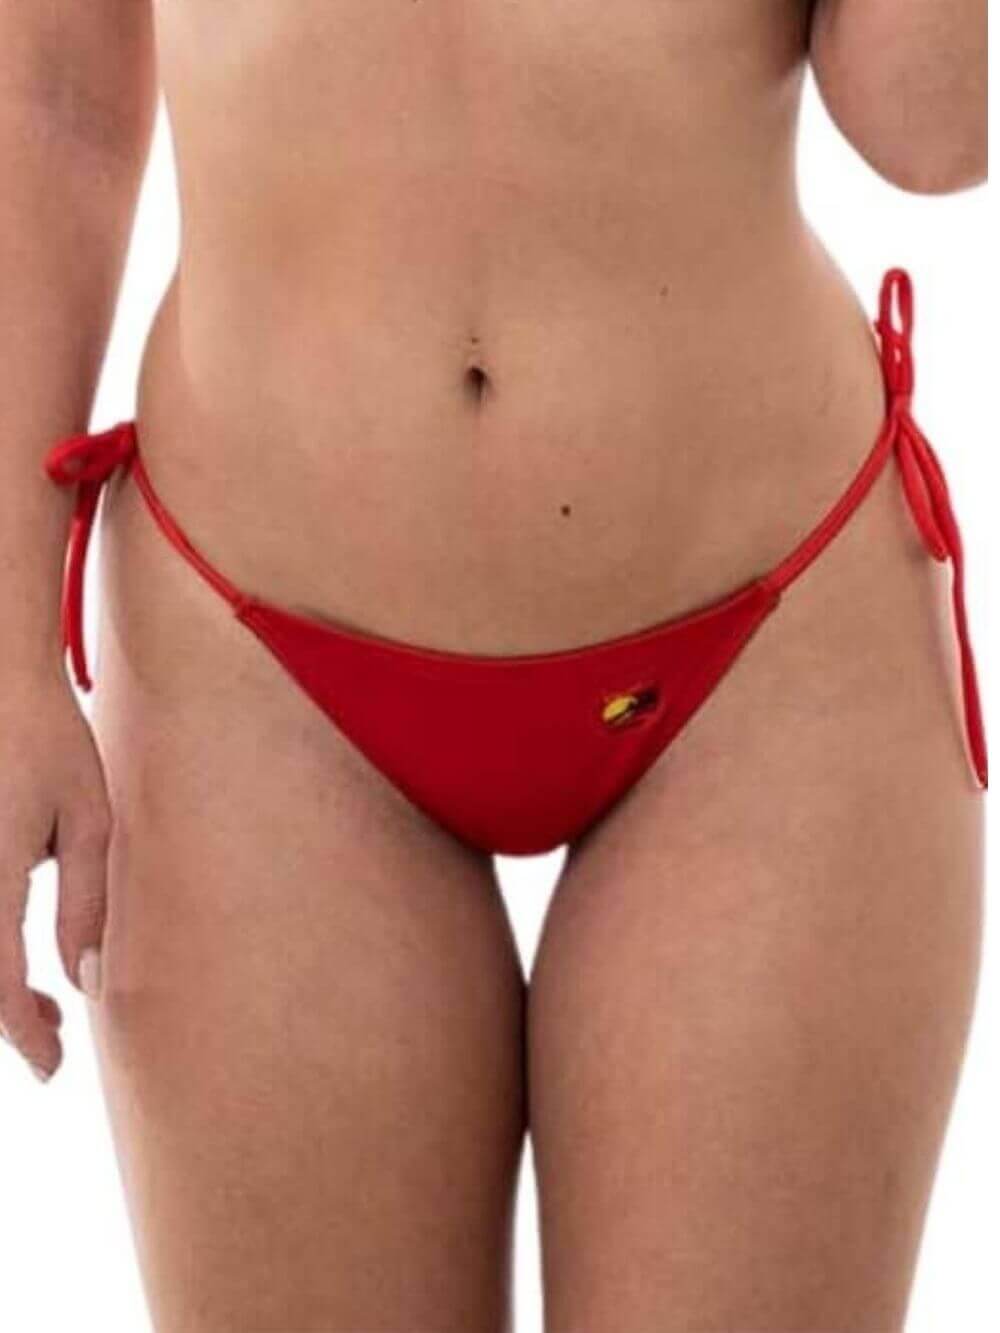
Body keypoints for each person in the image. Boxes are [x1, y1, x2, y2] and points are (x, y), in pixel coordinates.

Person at [0, 2, 987, 1329]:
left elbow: (935, 132)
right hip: (255, 659)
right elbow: (50, 99)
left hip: (763, 644)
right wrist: (6, 651)